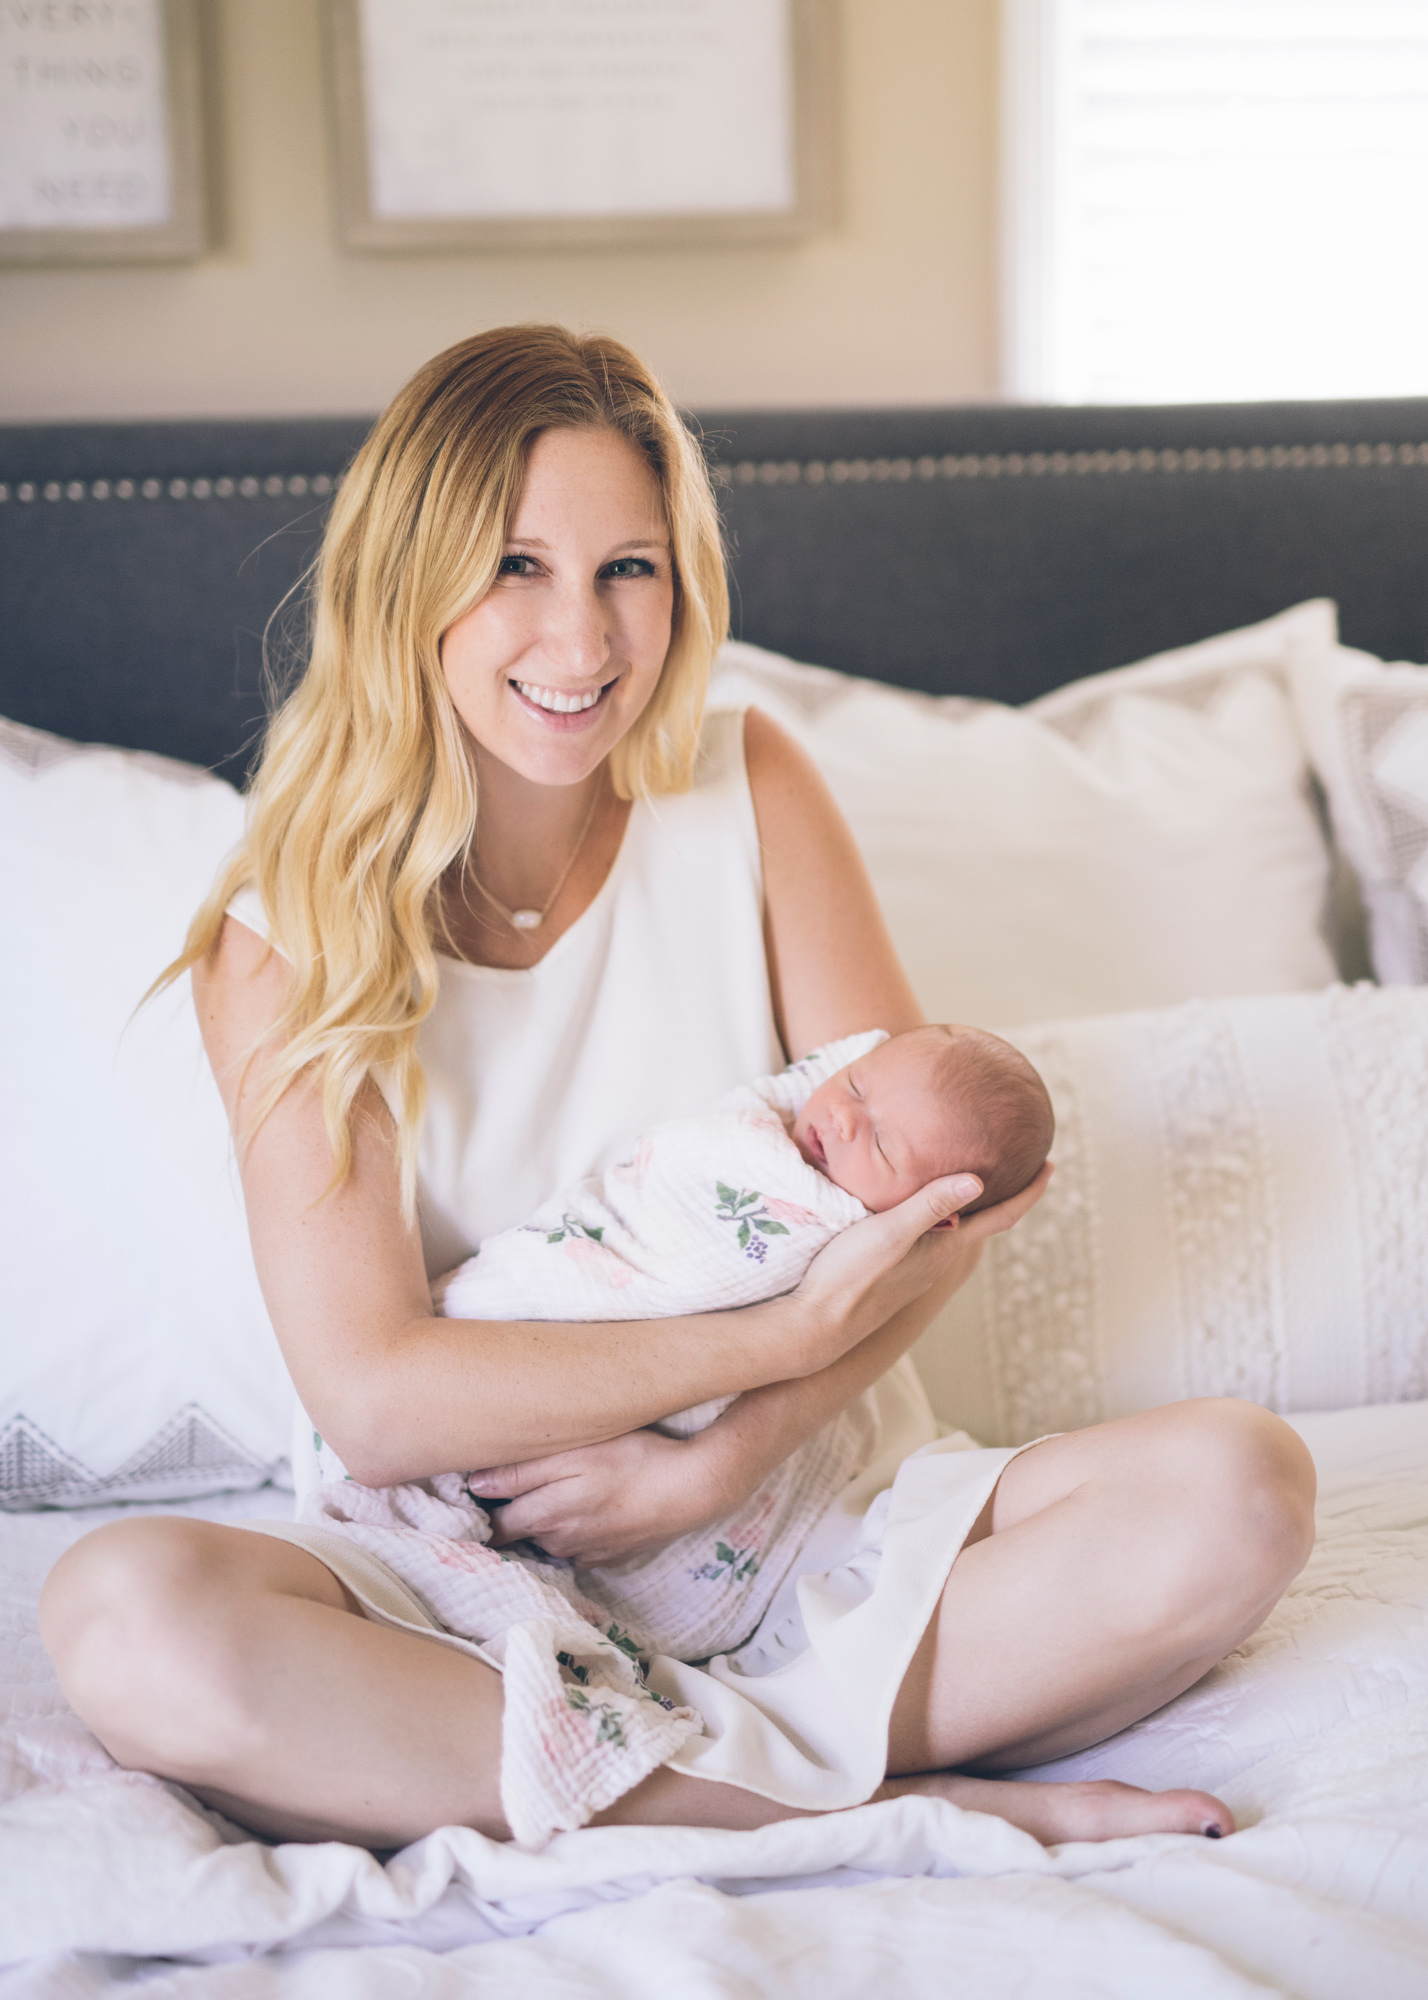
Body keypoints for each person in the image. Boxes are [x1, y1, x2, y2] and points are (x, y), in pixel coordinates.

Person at [39, 325, 1316, 1854]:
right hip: (472, 1575)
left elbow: (928, 1224)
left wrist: (733, 1451)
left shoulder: (749, 786)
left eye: (628, 569)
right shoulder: (293, 929)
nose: (581, 643)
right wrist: (778, 1329)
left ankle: (643, 1780)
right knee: (127, 1619)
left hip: (801, 1530)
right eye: (516, 564)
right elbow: (376, 1399)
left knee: (1242, 1487)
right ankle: (854, 1801)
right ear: (407, 581)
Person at [288, 1023, 1055, 1691]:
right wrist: (796, 1331)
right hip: (447, 1387)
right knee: (187, 1606)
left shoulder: (847, 1202)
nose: (847, 1119)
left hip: (806, 1490)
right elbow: (372, 1406)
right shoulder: (782, 1124)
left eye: (884, 1142)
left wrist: (716, 1466)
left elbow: (928, 1258)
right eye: (852, 1085)